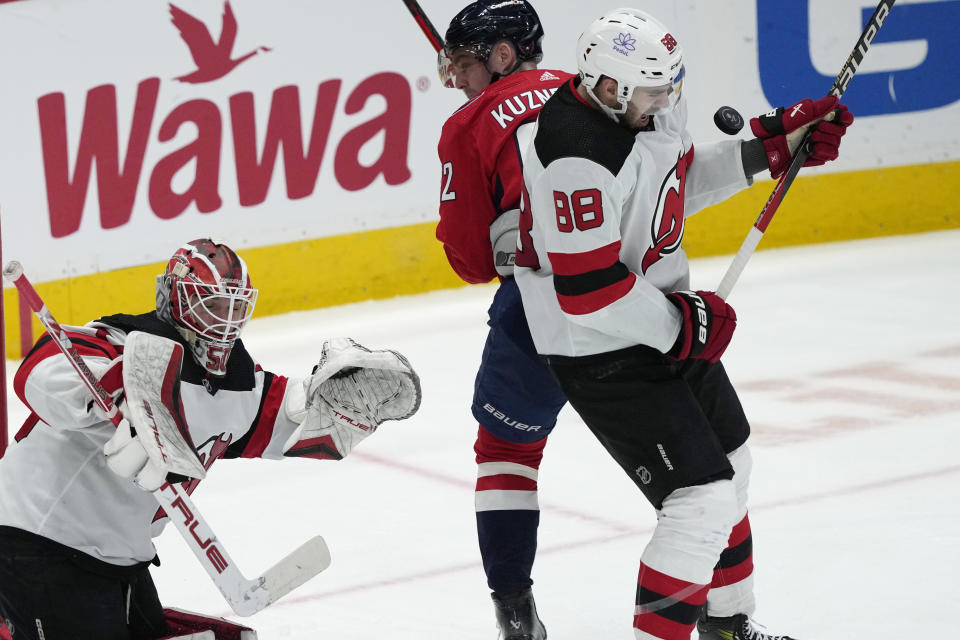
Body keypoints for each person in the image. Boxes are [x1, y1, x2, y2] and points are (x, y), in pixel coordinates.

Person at [514, 8, 853, 640]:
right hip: (597, 346)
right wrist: (682, 326)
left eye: (671, 84)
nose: (666, 99)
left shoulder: (641, 103)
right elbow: (587, 289)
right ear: (607, 87)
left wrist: (768, 149)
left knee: (733, 465)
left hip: (656, 319)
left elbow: (671, 181)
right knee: (700, 500)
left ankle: (727, 626)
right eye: (652, 90)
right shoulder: (571, 150)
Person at [0, 239, 420, 640]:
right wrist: (109, 397)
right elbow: (39, 370)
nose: (226, 317)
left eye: (236, 305)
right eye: (214, 303)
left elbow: (289, 418)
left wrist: (330, 400)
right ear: (178, 299)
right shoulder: (126, 345)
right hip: (37, 540)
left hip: (116, 556)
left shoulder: (236, 385)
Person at [435, 1, 574, 637]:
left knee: (506, 455)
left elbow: (468, 260)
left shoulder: (466, 125)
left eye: (465, 65)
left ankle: (516, 615)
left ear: (500, 55)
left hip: (541, 306)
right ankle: (721, 613)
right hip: (638, 290)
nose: (458, 80)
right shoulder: (587, 89)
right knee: (691, 465)